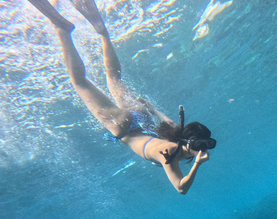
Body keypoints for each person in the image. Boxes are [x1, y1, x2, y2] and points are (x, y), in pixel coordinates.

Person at [26, 0, 216, 194]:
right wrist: (197, 165)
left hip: (140, 118)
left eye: (207, 145)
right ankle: (63, 30)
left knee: (113, 78)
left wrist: (151, 108)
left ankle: (103, 33)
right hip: (122, 127)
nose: (205, 150)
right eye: (203, 145)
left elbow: (168, 121)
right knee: (80, 82)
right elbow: (180, 188)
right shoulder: (169, 153)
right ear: (189, 142)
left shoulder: (177, 136)